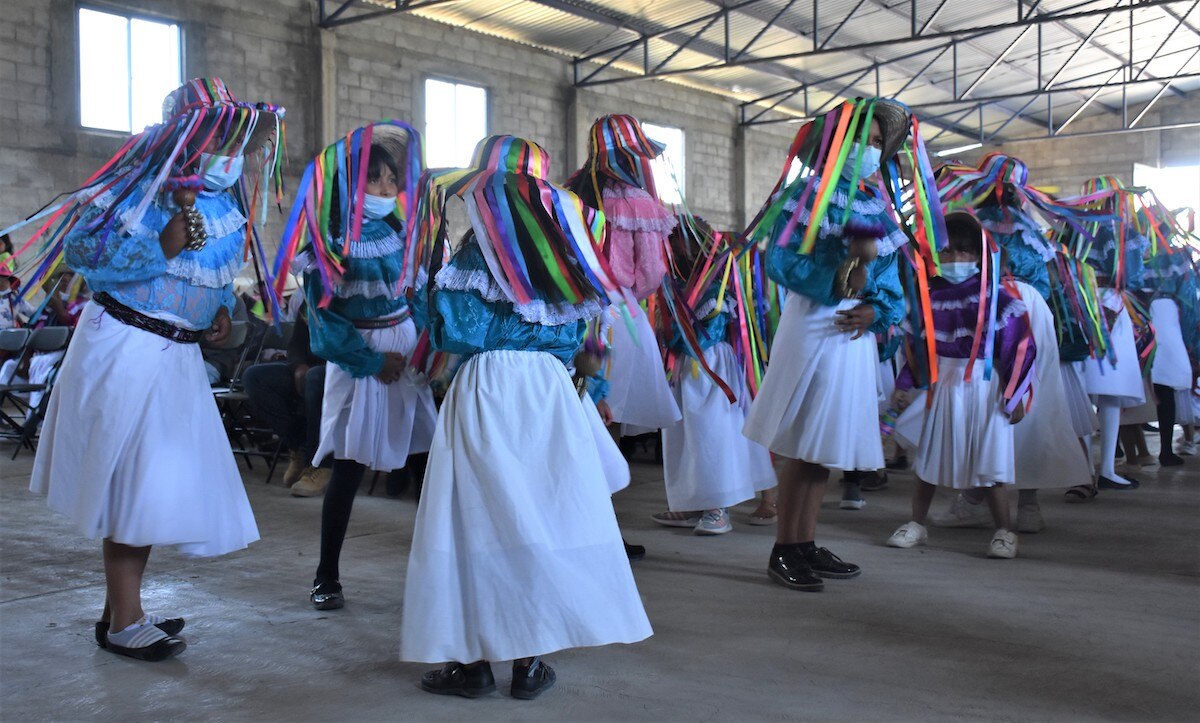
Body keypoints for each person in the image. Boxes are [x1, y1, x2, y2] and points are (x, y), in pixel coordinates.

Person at [16, 77, 283, 660]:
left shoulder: (223, 202)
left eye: (237, 144)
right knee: (132, 483)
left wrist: (217, 315)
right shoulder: (136, 188)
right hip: (126, 348)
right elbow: (84, 254)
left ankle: (120, 611)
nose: (231, 156)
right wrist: (158, 246)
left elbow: (213, 277)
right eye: (221, 140)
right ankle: (123, 622)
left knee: (152, 485)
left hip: (176, 355)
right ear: (186, 138)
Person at [401, 135, 652, 700]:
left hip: (490, 389)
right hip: (548, 394)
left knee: (478, 519)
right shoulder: (566, 260)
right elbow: (579, 341)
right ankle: (529, 660)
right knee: (540, 513)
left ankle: (472, 662)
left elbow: (457, 333)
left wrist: (423, 287)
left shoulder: (473, 256)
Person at [742, 97, 925, 591]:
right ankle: (784, 547)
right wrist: (842, 277)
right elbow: (782, 263)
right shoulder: (806, 196)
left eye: (873, 143)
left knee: (824, 446)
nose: (866, 150)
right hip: (815, 327)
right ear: (833, 146)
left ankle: (804, 541)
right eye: (857, 141)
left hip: (852, 336)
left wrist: (877, 309)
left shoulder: (876, 205)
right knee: (804, 441)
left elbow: (888, 279)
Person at [272, 122, 437, 611]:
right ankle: (327, 574)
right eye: (376, 181)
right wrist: (368, 361)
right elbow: (323, 322)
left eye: (392, 183)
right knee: (349, 465)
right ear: (351, 185)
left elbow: (418, 297)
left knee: (429, 459)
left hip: (405, 356)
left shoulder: (401, 233)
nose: (387, 191)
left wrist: (424, 350)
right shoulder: (331, 244)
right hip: (363, 359)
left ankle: (443, 570)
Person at [886, 212, 1036, 558]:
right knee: (929, 456)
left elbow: (1020, 347)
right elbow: (918, 350)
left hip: (986, 387)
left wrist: (1015, 395)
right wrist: (905, 383)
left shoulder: (996, 297)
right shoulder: (929, 298)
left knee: (991, 459)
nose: (957, 259)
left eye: (966, 252)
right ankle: (916, 524)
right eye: (949, 252)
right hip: (943, 385)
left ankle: (1004, 531)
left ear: (980, 256)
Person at [653, 223, 776, 535]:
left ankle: (718, 508)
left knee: (712, 434)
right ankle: (692, 502)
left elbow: (704, 335)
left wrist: (673, 337)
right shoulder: (676, 284)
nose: (671, 251)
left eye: (676, 244)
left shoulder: (715, 287)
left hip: (710, 370)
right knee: (685, 436)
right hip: (687, 368)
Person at [242, 306, 329, 493]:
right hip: (308, 367)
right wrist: (298, 365)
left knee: (314, 379)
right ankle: (298, 446)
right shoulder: (311, 296)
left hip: (339, 367)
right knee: (254, 377)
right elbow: (296, 343)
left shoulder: (352, 291)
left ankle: (319, 463)